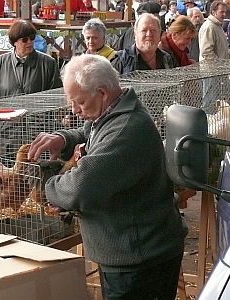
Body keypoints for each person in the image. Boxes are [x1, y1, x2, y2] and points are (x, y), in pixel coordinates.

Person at [27, 54, 187, 300]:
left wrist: (46, 187)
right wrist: (64, 138)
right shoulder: (114, 112)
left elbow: (81, 186)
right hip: (130, 251)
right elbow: (90, 131)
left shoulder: (128, 128)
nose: (75, 110)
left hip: (139, 260)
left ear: (101, 93)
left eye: (79, 101)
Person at [0, 19, 62, 98]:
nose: (29, 42)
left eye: (32, 38)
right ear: (14, 42)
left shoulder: (48, 63)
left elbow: (56, 96)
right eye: (25, 39)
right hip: (7, 109)